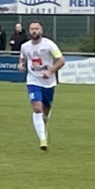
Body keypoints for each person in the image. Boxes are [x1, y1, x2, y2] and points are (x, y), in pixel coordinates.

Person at [20, 21, 65, 151]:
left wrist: (50, 71)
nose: (34, 31)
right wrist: (21, 65)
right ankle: (43, 139)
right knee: (37, 108)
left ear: (41, 30)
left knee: (46, 109)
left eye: (36, 29)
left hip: (49, 82)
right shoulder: (25, 46)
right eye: (32, 29)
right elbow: (22, 59)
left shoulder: (49, 44)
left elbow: (61, 60)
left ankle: (43, 122)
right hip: (33, 81)